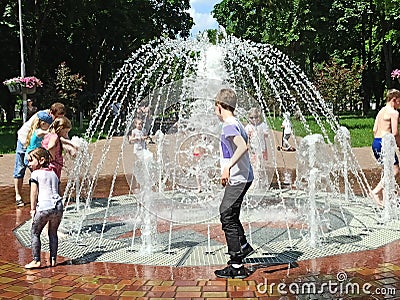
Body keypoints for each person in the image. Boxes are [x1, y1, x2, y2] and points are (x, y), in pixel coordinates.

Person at [214, 88, 254, 279]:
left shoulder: (228, 125)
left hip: (238, 178)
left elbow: (242, 147)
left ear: (219, 106)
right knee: (231, 213)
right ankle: (243, 246)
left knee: (226, 215)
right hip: (244, 176)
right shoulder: (237, 123)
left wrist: (227, 167)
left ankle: (237, 265)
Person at [13, 103, 65, 207]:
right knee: (22, 170)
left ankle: (42, 198)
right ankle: (19, 196)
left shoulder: (47, 121)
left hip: (34, 148)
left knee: (38, 174)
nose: (58, 119)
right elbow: (46, 135)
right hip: (24, 142)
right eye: (58, 116)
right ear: (52, 113)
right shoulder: (42, 117)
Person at [24, 147, 63, 269]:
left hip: (44, 207)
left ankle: (36, 260)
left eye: (31, 160)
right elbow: (60, 192)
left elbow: (33, 193)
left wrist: (32, 209)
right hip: (58, 206)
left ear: (41, 160)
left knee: (35, 232)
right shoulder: (54, 174)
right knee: (53, 233)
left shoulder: (35, 174)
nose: (29, 164)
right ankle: (53, 259)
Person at [370, 89, 400, 206]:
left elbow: (374, 130)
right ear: (394, 99)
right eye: (399, 101)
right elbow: (395, 133)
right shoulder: (394, 113)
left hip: (376, 142)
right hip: (385, 143)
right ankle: (376, 192)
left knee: (387, 170)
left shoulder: (381, 111)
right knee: (395, 171)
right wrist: (398, 145)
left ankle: (388, 196)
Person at [245, 108, 269, 188]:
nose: (254, 119)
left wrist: (262, 132)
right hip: (253, 150)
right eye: (251, 118)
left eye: (256, 117)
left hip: (261, 149)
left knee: (260, 166)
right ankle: (254, 183)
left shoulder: (262, 125)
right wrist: (248, 148)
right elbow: (247, 138)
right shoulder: (248, 127)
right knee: (254, 166)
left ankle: (259, 182)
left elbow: (266, 135)